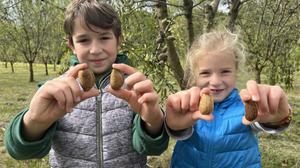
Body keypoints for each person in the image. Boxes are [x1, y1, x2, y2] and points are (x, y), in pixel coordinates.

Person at [4, 1, 169, 167]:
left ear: (118, 41)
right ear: (72, 45)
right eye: (84, 40)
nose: (95, 49)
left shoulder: (135, 88)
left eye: (104, 37)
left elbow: (152, 148)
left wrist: (153, 122)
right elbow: (21, 151)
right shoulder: (57, 91)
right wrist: (33, 121)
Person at [165, 30, 292, 168]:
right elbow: (177, 130)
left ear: (236, 72)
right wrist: (173, 126)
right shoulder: (190, 105)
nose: (215, 81)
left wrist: (276, 118)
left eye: (225, 72)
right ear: (195, 75)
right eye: (205, 73)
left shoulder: (245, 105)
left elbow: (263, 120)